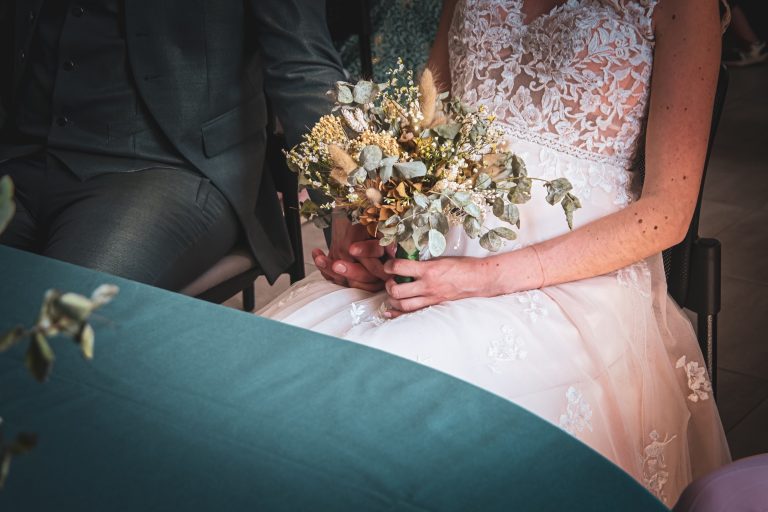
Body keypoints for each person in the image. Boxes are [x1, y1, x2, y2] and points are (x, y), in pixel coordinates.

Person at [260, 0, 732, 504]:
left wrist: (483, 277)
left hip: (573, 286)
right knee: (277, 387)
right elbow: (431, 121)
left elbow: (667, 212)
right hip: (436, 256)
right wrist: (386, 232)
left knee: (380, 423)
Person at [0, 0, 344, 291]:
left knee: (60, 318)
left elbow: (303, 68)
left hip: (172, 167)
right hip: (20, 154)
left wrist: (352, 212)